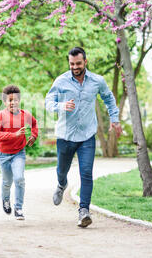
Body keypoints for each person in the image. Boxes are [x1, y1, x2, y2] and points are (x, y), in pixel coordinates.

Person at [45, 47, 122, 227]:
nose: (75, 67)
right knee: (61, 170)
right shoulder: (61, 81)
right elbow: (49, 102)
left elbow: (109, 99)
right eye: (72, 64)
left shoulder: (97, 81)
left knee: (86, 173)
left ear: (85, 62)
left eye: (78, 63)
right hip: (65, 135)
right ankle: (61, 184)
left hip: (87, 135)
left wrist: (115, 120)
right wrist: (61, 106)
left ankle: (84, 211)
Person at [0, 85, 38, 220]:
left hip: (19, 153)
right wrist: (14, 134)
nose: (13, 102)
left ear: (19, 100)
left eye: (15, 100)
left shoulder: (25, 115)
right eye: (10, 100)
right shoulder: (1, 115)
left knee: (19, 179)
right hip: (3, 155)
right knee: (7, 182)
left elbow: (34, 124)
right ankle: (6, 200)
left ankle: (18, 208)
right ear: (5, 102)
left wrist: (34, 135)